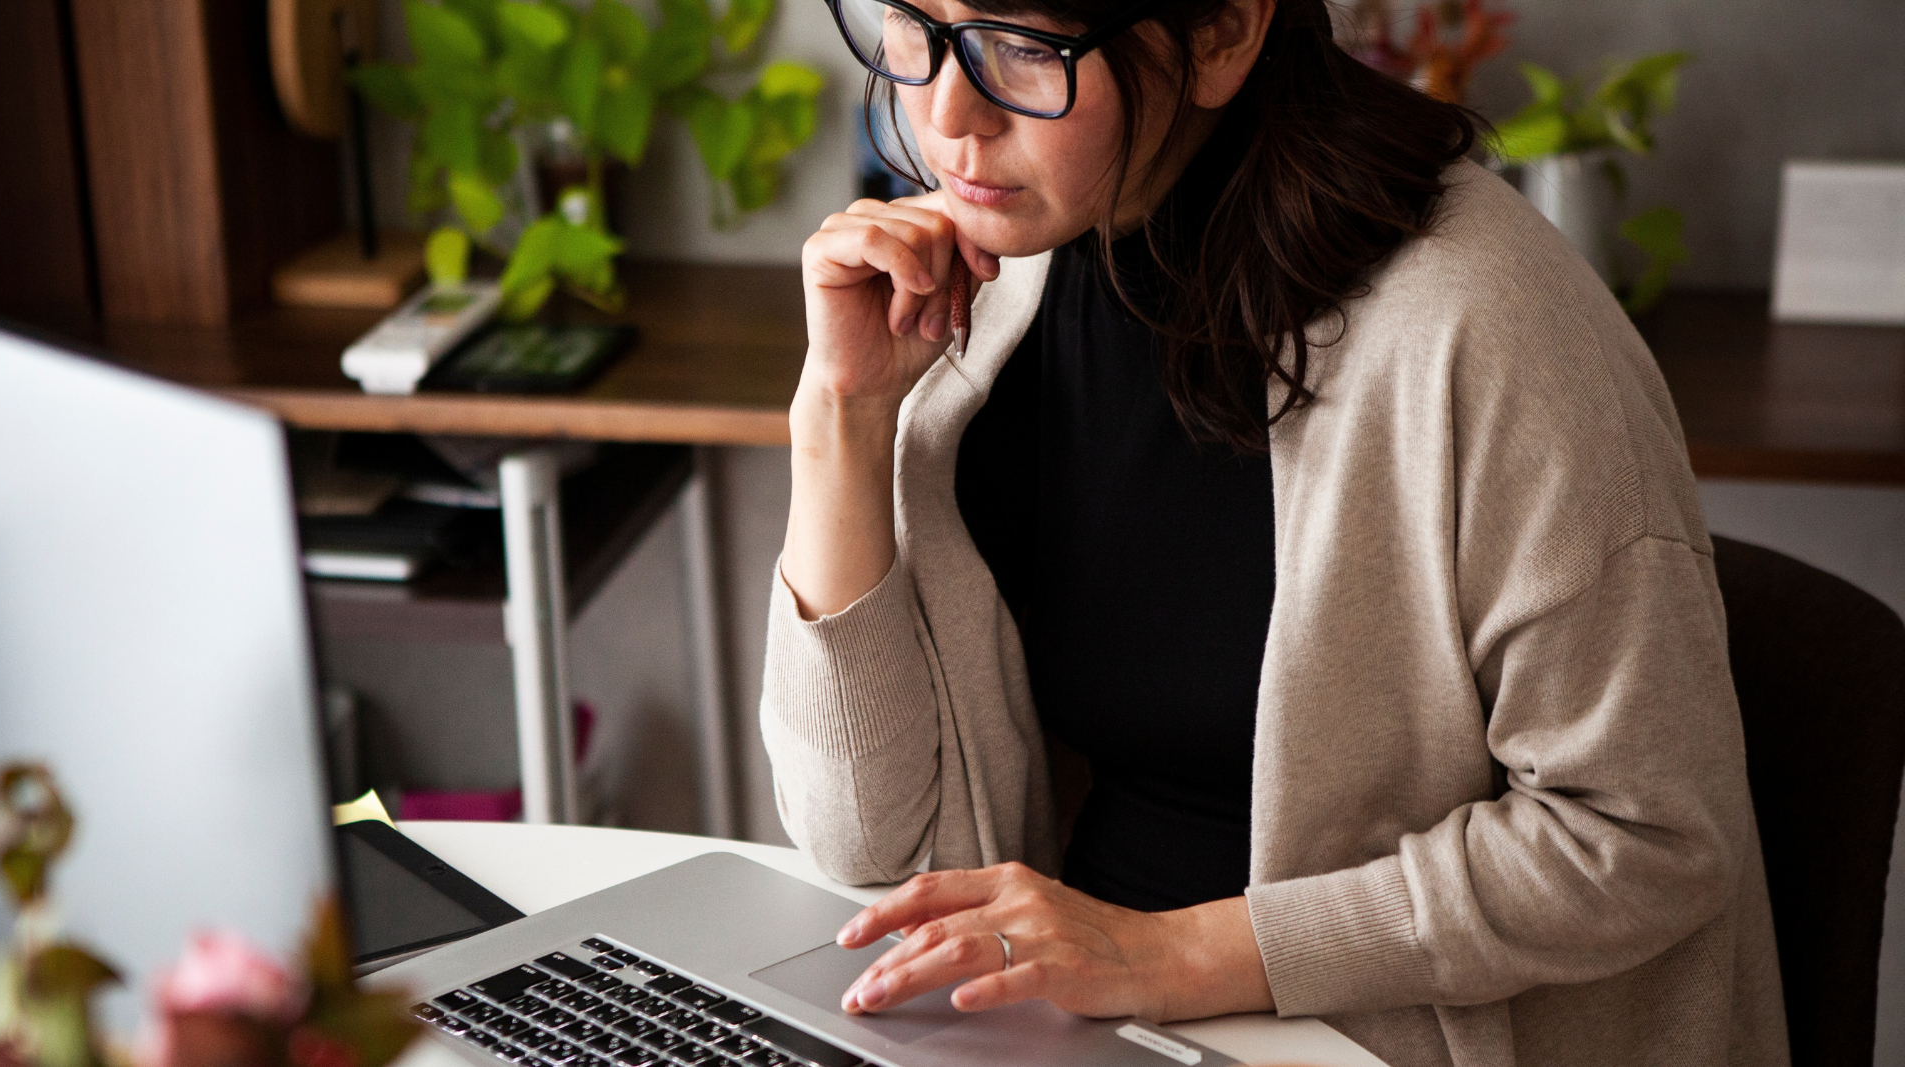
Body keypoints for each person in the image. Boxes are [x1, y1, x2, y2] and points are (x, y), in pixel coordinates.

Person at [763, 0, 1789, 1063]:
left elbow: (1645, 835)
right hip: (1074, 1019)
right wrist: (841, 415)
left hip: (1379, 1034)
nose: (945, 114)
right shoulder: (992, 277)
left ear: (1221, 34)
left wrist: (1170, 954)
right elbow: (864, 840)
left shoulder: (1485, 325)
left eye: (1022, 47)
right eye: (910, 21)